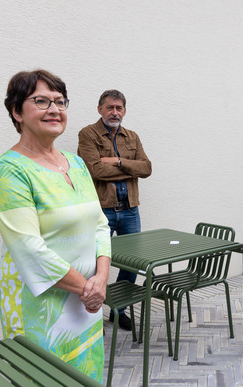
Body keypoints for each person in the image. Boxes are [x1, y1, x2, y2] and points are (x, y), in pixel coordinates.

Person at [0, 70, 110, 383]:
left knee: (86, 375)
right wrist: (87, 288)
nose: (54, 109)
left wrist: (102, 279)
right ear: (16, 111)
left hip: (86, 303)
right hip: (39, 307)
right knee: (43, 378)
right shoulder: (9, 170)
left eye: (60, 101)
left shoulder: (77, 163)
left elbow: (100, 224)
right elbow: (29, 247)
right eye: (41, 101)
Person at [78, 89, 152, 331]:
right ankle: (91, 312)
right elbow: (95, 171)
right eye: (110, 107)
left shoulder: (132, 136)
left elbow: (147, 168)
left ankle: (118, 311)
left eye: (119, 108)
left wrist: (118, 162)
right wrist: (131, 168)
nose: (114, 112)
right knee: (95, 264)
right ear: (100, 109)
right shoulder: (88, 134)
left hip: (130, 210)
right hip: (102, 211)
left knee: (131, 262)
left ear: (125, 111)